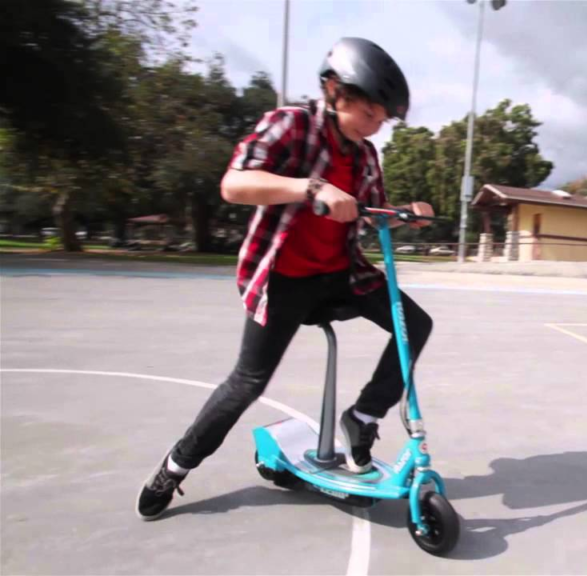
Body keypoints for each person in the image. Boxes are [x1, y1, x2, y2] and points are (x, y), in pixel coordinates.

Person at [136, 37, 435, 521]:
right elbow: (234, 184)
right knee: (247, 382)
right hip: (284, 279)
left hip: (340, 274)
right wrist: (309, 187)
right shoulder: (290, 126)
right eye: (370, 112)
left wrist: (405, 215)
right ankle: (176, 465)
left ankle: (362, 418)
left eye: (383, 120)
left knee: (415, 325)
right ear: (335, 90)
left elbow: (363, 217)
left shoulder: (366, 157)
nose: (375, 126)